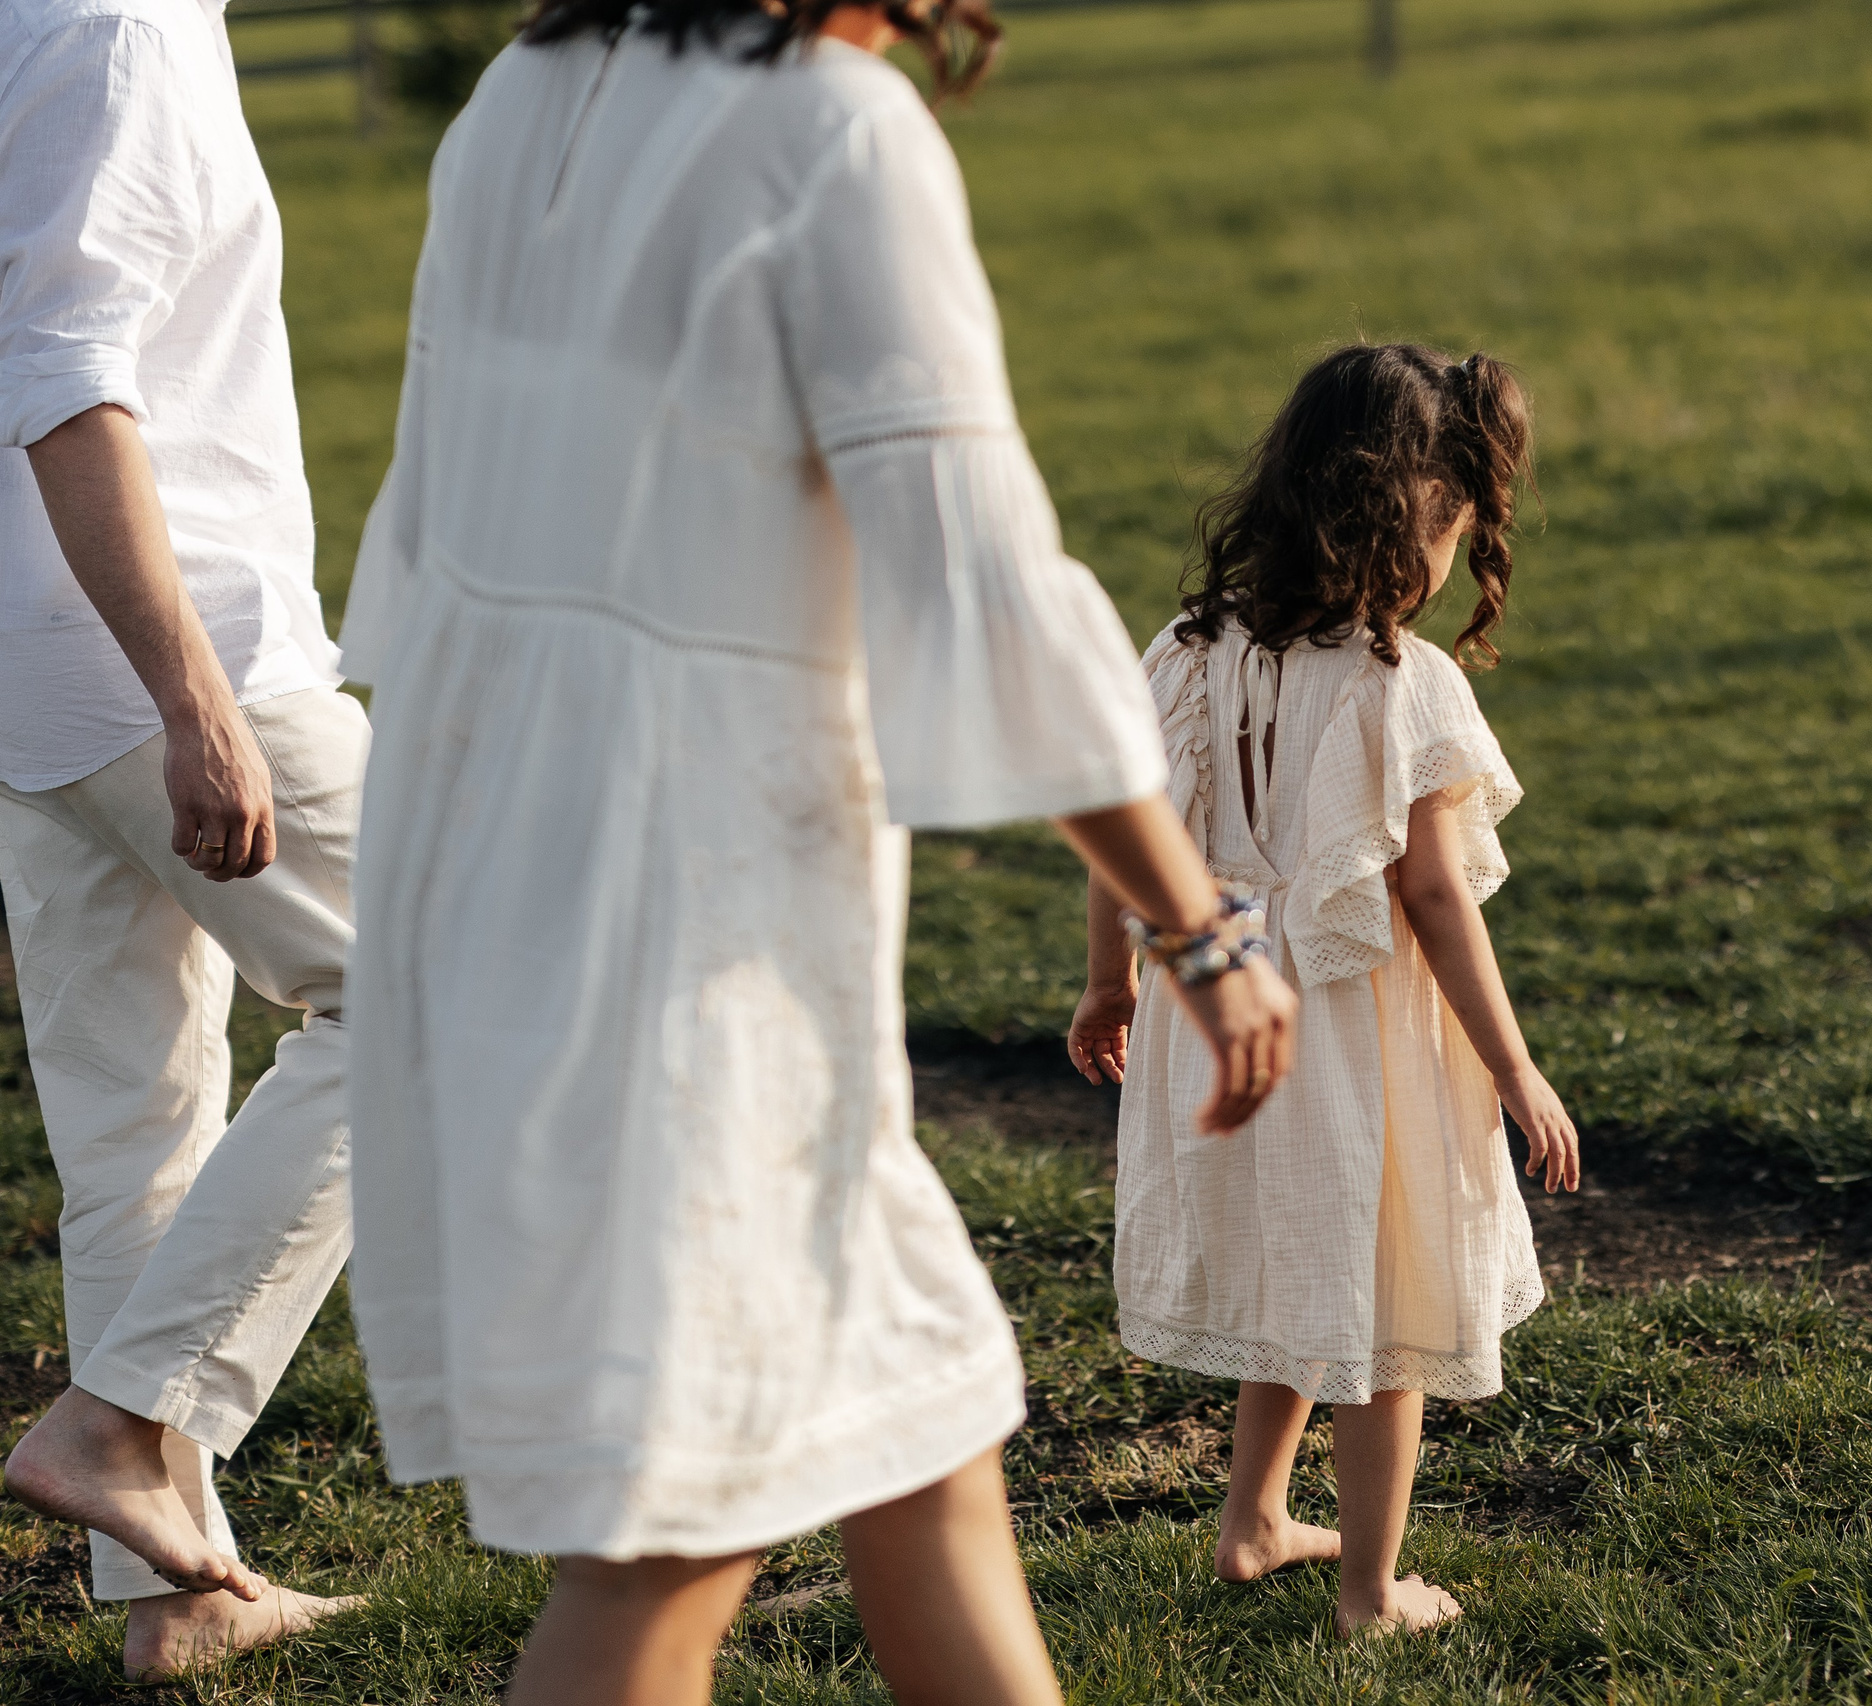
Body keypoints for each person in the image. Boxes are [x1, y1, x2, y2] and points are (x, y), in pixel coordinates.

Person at [330, 0, 1298, 1700]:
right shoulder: (835, 127)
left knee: (923, 1424)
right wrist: (1195, 925)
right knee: (671, 1542)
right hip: (681, 919)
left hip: (488, 847)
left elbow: (426, 538)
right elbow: (977, 568)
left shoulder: (516, 93)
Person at [1068, 343, 1581, 1640]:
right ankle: (1369, 1591)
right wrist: (1515, 1066)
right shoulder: (1401, 682)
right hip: (1354, 1029)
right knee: (1383, 1300)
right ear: (1424, 519)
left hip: (1217, 1008)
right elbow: (1436, 897)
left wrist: (1108, 985)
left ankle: (1253, 1520)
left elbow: (1124, 837)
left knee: (1307, 1260)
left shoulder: (1186, 651)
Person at [0, 0, 368, 1676]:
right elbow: (66, 372)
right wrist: (194, 699)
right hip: (170, 653)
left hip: (37, 675)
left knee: (131, 1132)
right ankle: (121, 1421)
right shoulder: (116, 26)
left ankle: (180, 1596)